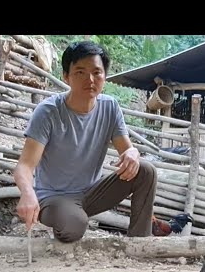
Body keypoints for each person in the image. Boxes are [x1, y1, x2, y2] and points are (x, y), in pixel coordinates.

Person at [14, 41, 158, 242]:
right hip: (53, 198)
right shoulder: (48, 112)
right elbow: (25, 166)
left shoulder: (110, 107)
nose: (90, 79)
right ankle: (66, 219)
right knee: (74, 225)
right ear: (66, 76)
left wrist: (133, 153)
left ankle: (140, 242)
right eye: (80, 72)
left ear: (104, 77)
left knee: (145, 170)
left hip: (92, 194)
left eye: (96, 72)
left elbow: (127, 152)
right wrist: (27, 193)